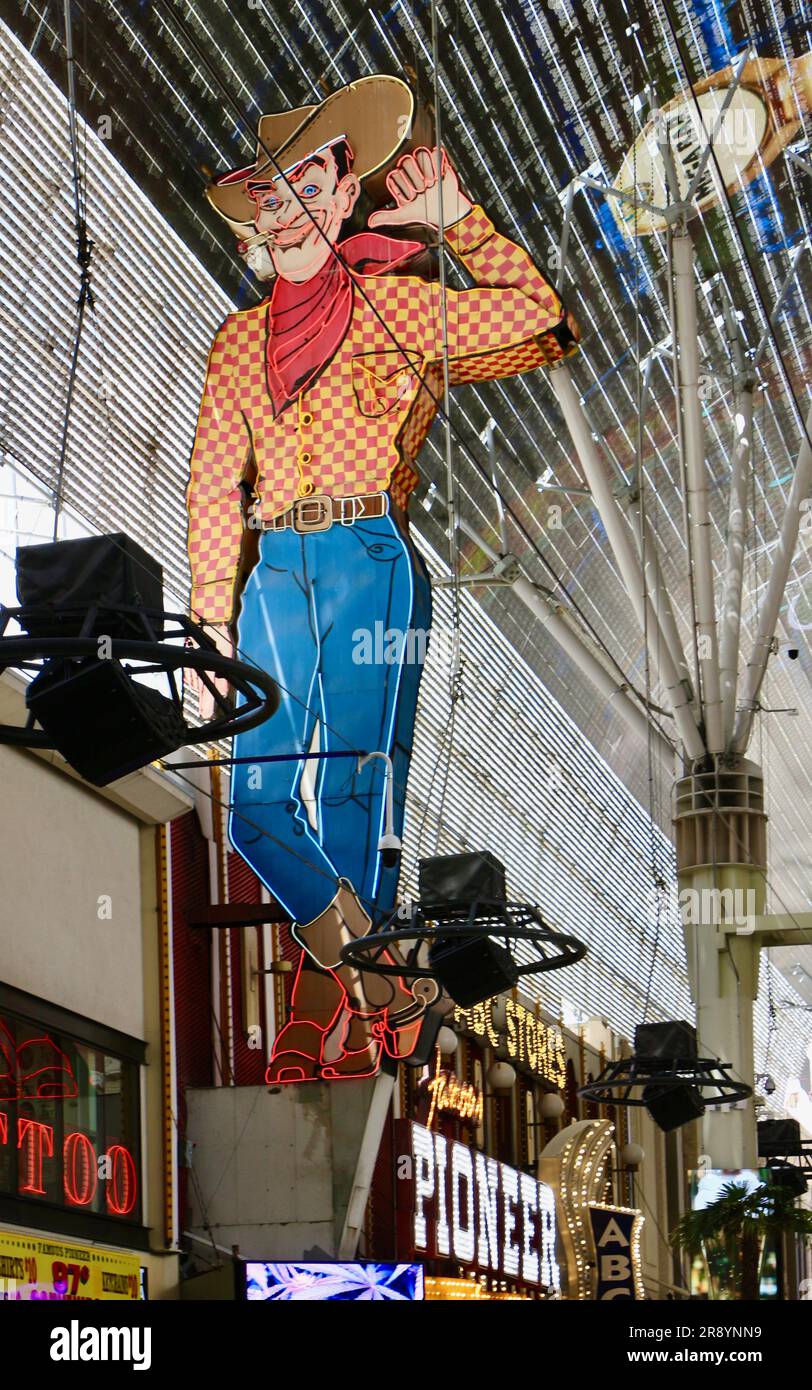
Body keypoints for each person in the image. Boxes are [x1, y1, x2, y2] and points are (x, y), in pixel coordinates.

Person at [187, 75, 579, 1082]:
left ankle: (326, 1014)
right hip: (274, 569)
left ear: (341, 187)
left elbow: (542, 319)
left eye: (298, 183)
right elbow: (206, 494)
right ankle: (387, 983)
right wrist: (207, 623)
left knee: (359, 791)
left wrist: (459, 220)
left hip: (370, 559)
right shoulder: (234, 346)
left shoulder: (394, 309)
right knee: (258, 811)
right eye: (263, 195)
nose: (280, 208)